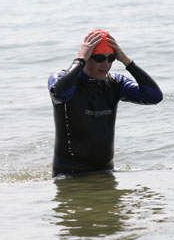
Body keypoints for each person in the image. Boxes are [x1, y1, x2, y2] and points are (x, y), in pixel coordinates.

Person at [48, 29, 163, 177]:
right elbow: (60, 95)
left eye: (111, 58)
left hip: (106, 174)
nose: (106, 64)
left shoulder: (116, 83)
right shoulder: (62, 79)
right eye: (99, 58)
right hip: (70, 177)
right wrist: (80, 60)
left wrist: (127, 61)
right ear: (87, 57)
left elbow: (154, 96)